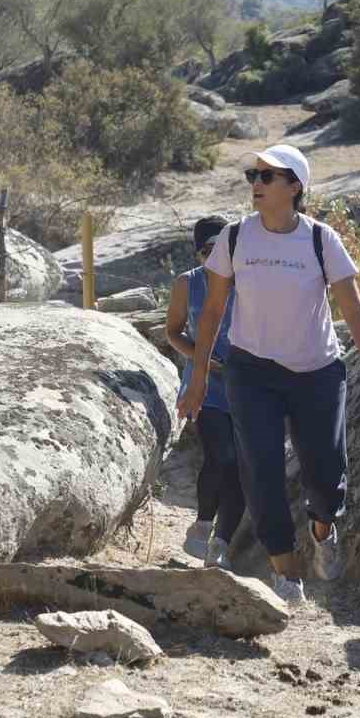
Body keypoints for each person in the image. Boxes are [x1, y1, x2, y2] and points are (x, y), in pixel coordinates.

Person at [176, 144, 360, 605]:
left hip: (316, 371)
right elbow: (212, 313)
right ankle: (287, 576)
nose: (256, 183)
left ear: (295, 186)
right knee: (261, 471)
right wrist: (196, 381)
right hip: (251, 370)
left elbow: (352, 307)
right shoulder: (235, 238)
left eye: (268, 176)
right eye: (254, 174)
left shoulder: (321, 240)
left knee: (326, 473)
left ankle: (323, 525)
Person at [165, 215, 245, 569]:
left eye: (221, 249)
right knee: (222, 455)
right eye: (206, 251)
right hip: (206, 384)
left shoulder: (252, 282)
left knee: (243, 467)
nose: (213, 257)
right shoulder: (188, 283)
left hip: (249, 385)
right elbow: (173, 332)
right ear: (197, 254)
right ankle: (202, 525)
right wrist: (202, 360)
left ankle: (222, 545)